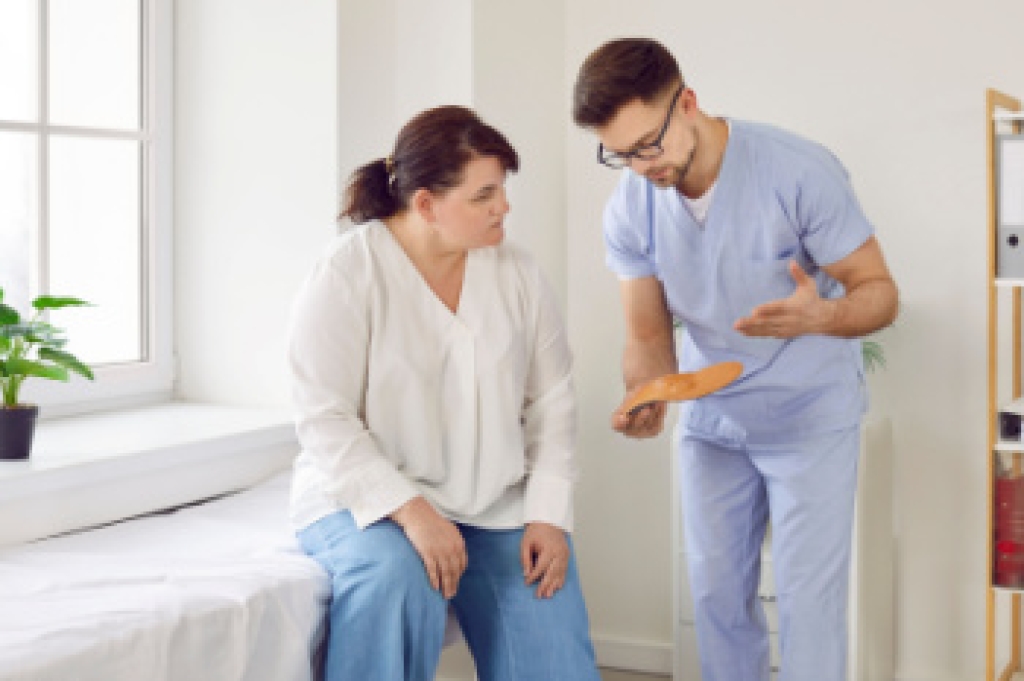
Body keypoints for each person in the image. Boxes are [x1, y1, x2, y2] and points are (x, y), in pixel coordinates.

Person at [572, 38, 899, 681]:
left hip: (808, 416)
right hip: (712, 419)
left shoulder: (798, 172)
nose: (641, 166)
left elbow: (880, 293)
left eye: (649, 144)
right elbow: (647, 333)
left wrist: (825, 317)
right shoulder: (631, 205)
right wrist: (647, 395)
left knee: (808, 605)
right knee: (715, 599)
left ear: (687, 103)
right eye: (621, 154)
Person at [287, 105, 600, 681]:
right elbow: (323, 417)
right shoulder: (348, 272)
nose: (503, 207)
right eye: (484, 195)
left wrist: (548, 515)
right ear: (426, 204)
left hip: (494, 505)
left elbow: (552, 400)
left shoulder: (517, 272)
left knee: (549, 623)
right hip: (368, 504)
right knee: (395, 577)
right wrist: (411, 511)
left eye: (501, 189)